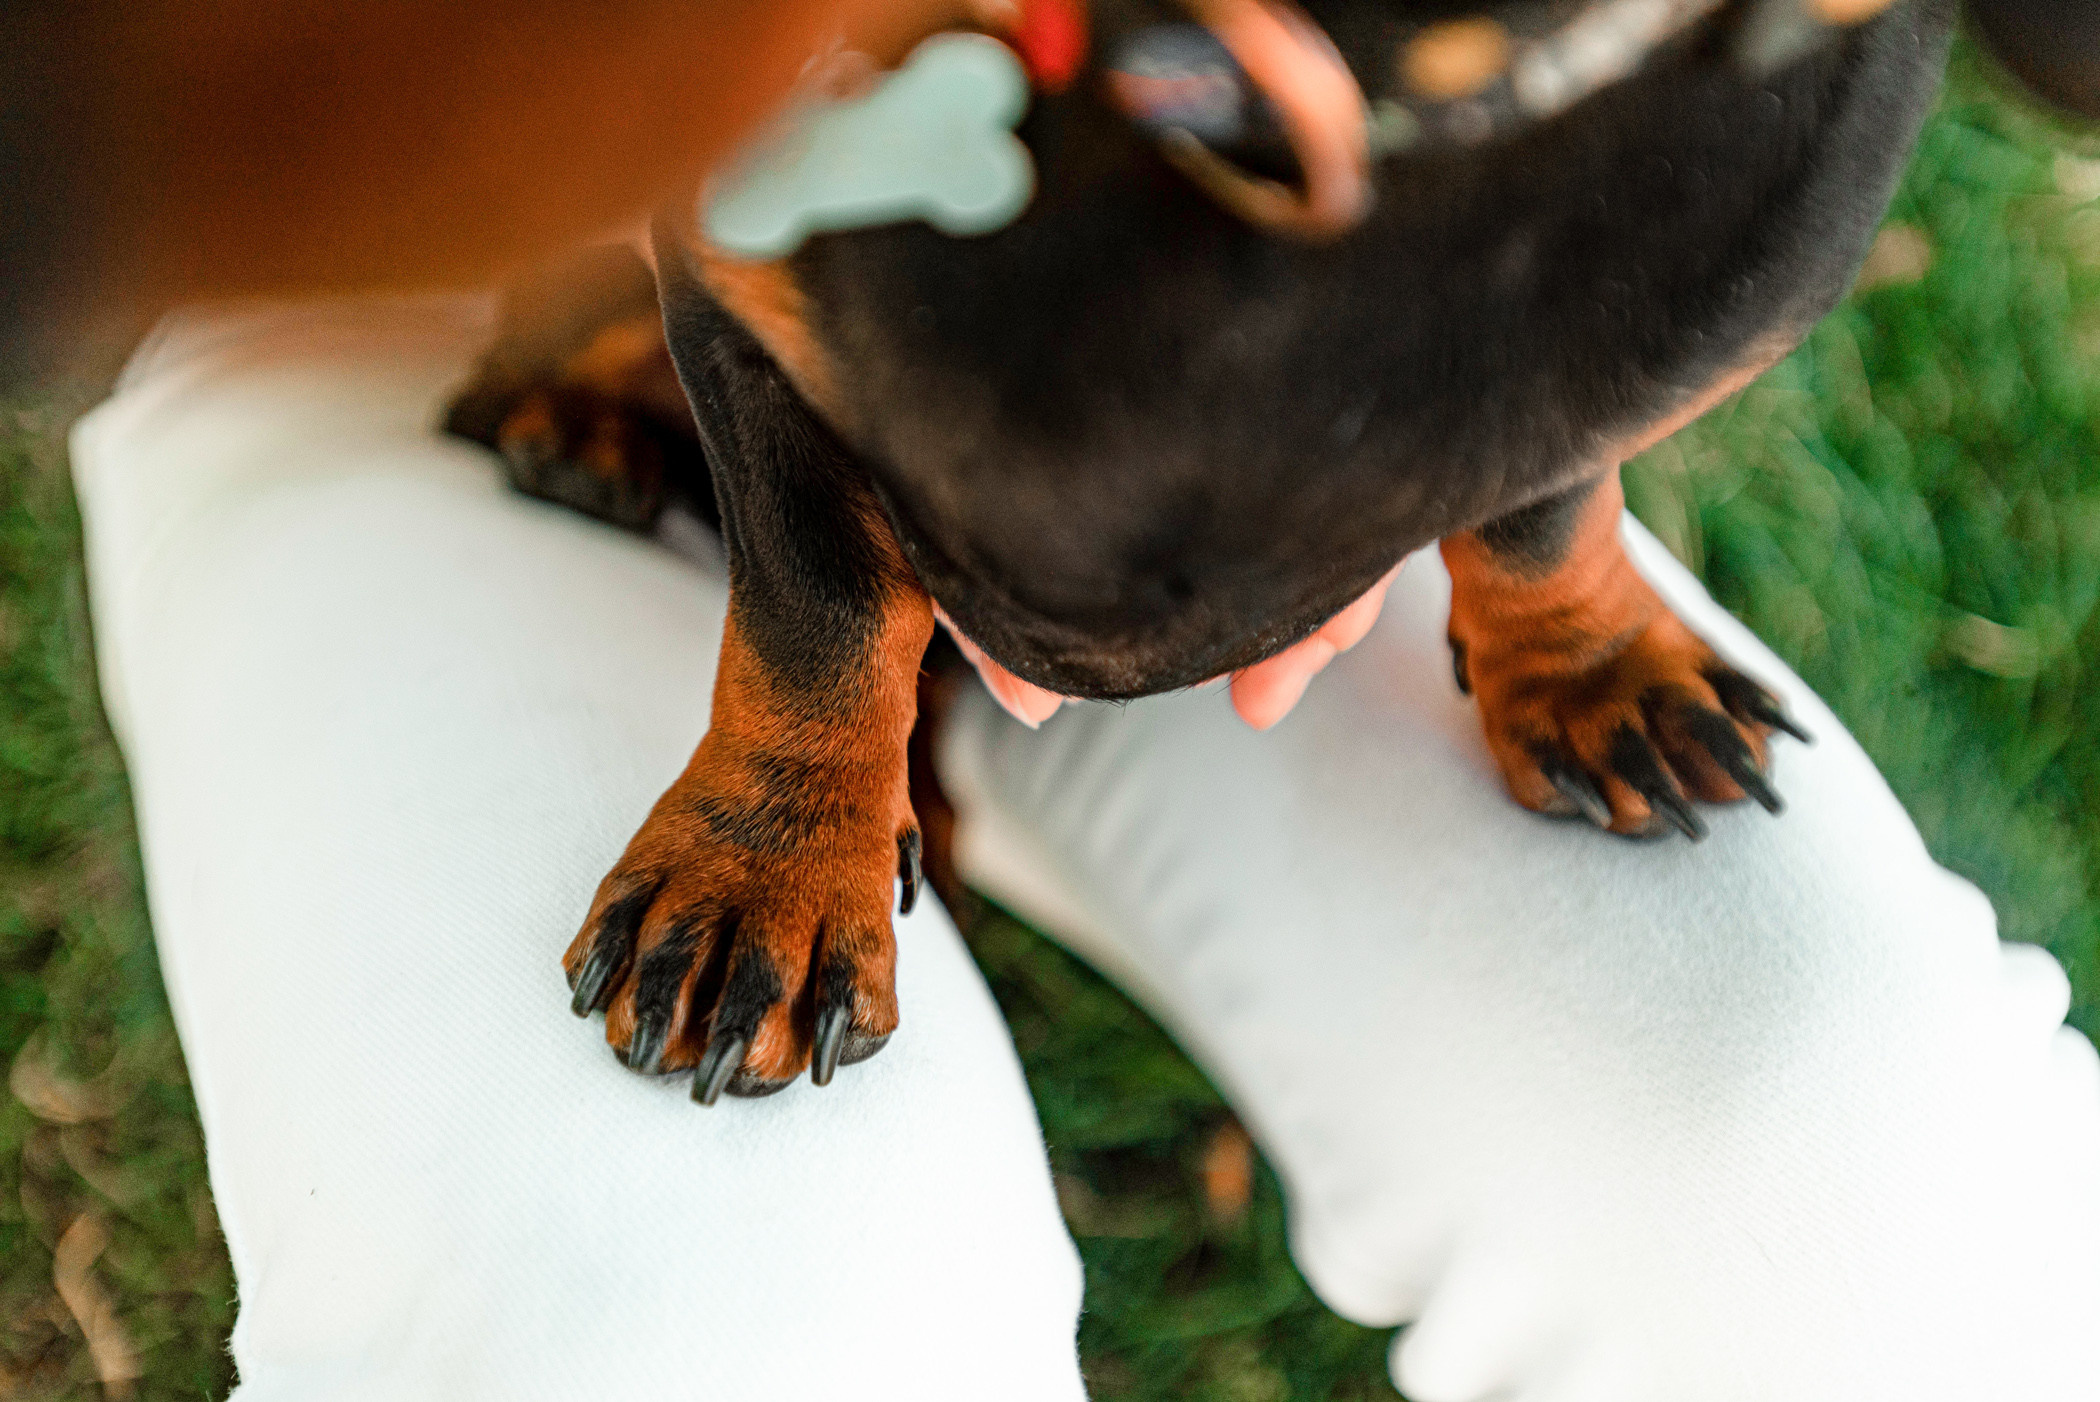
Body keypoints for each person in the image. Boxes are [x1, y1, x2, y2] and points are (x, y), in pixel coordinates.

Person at [66, 288, 2100, 1400]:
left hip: (1246, 365)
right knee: (700, 1341)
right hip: (414, 278)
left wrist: (1443, 438)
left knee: (1870, 1213)